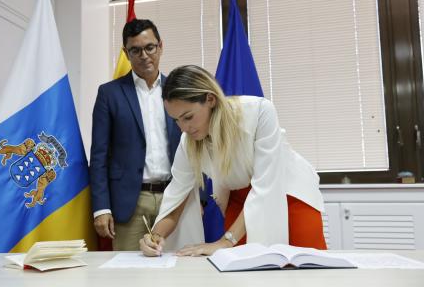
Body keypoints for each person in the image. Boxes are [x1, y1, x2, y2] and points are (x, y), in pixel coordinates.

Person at [139, 65, 327, 257]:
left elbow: (266, 186)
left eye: (188, 117)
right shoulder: (188, 143)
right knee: (240, 269)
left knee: (308, 265)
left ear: (210, 99)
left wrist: (225, 241)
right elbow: (176, 196)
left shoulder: (259, 111)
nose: (183, 128)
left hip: (288, 191)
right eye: (176, 120)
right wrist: (154, 236)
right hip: (238, 199)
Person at [89, 19, 181, 251]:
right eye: (135, 50)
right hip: (129, 203)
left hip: (175, 199)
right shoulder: (109, 94)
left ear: (161, 46)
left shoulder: (179, 89)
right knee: (128, 274)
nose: (144, 55)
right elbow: (99, 155)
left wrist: (199, 198)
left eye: (149, 47)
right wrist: (101, 208)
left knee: (178, 271)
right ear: (126, 52)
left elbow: (198, 144)